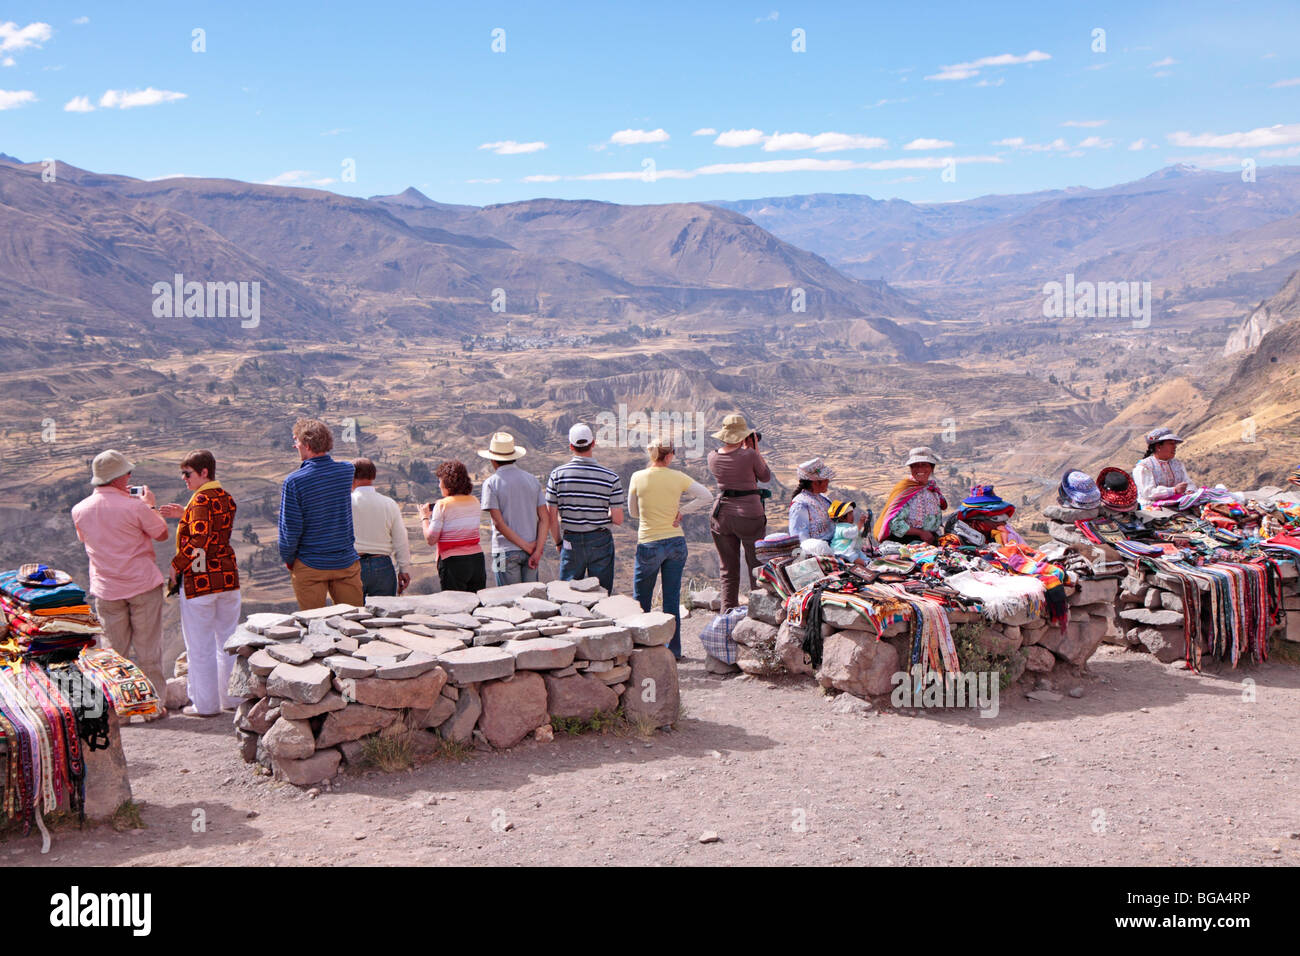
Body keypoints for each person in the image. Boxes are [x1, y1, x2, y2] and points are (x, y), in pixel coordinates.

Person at [70, 449, 170, 719]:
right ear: (118, 478)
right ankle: (153, 707)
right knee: (149, 649)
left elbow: (85, 539)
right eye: (127, 473)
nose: (129, 477)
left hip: (107, 590)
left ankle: (119, 712)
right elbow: (161, 533)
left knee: (114, 655)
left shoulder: (79, 510)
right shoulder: (134, 505)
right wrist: (150, 505)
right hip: (142, 585)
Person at [157, 450, 242, 717]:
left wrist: (176, 565)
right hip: (228, 578)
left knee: (200, 646)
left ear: (204, 472)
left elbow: (200, 542)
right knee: (227, 640)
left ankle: (205, 705)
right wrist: (186, 514)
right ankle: (232, 698)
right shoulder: (225, 497)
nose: (184, 479)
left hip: (201, 581)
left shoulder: (201, 499)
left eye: (188, 473)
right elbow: (213, 530)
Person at [628, 437, 712, 659]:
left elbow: (632, 512)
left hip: (648, 542)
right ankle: (673, 651)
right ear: (669, 455)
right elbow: (707, 496)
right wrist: (682, 510)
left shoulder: (638, 477)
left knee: (641, 598)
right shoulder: (678, 477)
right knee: (671, 599)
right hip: (675, 541)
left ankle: (642, 649)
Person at [278, 418, 363, 610]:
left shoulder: (294, 482)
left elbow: (290, 529)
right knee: (355, 622)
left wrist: (289, 559)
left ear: (307, 445)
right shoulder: (346, 471)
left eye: (297, 442)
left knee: (315, 625)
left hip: (310, 564)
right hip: (345, 562)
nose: (295, 446)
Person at [546, 423, 625, 592]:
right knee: (602, 594)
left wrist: (558, 542)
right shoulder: (611, 477)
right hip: (600, 541)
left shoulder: (557, 476)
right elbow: (618, 519)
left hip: (570, 540)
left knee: (567, 594)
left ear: (571, 446)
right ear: (593, 443)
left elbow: (551, 516)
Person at [707, 414, 771, 611]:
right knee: (755, 565)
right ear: (742, 435)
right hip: (749, 514)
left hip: (722, 514)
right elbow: (765, 476)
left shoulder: (713, 456)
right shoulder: (750, 455)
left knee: (727, 569)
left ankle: (727, 614)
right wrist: (755, 450)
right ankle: (757, 613)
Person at [478, 432, 548, 586]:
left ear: (492, 459)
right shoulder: (532, 480)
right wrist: (537, 550)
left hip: (503, 553)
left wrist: (526, 546)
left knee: (507, 601)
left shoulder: (491, 484)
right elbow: (545, 518)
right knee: (531, 600)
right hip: (532, 551)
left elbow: (499, 524)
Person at [420, 460, 487, 593]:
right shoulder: (474, 501)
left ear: (447, 483)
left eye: (440, 481)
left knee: (455, 607)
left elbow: (431, 539)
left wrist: (424, 517)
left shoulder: (442, 504)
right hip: (476, 560)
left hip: (453, 563)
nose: (439, 485)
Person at [350, 458, 413, 598]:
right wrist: (404, 569)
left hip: (353, 565)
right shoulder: (389, 504)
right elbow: (400, 539)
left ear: (351, 476)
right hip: (383, 566)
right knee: (384, 617)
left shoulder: (346, 503)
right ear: (373, 476)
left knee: (351, 615)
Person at [874, 446, 948, 544]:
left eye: (924, 465)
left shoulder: (933, 490)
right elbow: (894, 523)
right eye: (915, 465)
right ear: (911, 468)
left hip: (930, 539)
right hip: (906, 542)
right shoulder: (905, 489)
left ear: (931, 468)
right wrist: (920, 533)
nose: (920, 469)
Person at [1133, 427, 1192, 507]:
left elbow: (1188, 483)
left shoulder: (1177, 464)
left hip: (1177, 504)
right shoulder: (1144, 467)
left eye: (1175, 444)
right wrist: (1173, 490)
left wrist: (1190, 490)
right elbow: (1148, 493)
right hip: (1152, 508)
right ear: (1158, 447)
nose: (1175, 447)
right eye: (1171, 443)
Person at [788, 457, 836, 544]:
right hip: (818, 551)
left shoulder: (824, 499)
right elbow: (800, 539)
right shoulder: (800, 505)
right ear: (815, 482)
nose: (828, 481)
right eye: (825, 479)